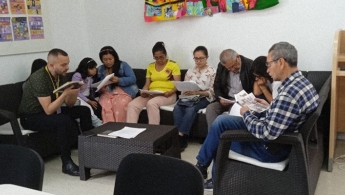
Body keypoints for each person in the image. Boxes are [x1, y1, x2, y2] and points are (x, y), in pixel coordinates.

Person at [195, 42, 320, 191]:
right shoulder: (303, 84)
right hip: (279, 134)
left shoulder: (288, 94)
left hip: (270, 148)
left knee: (219, 136)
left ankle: (212, 179)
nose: (267, 69)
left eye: (268, 64)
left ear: (280, 62)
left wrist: (246, 113)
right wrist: (268, 108)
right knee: (221, 121)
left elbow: (266, 133)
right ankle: (201, 165)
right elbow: (284, 114)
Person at [19, 48, 94, 176]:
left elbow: (70, 104)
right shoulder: (39, 78)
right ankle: (67, 163)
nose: (68, 67)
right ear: (52, 65)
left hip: (48, 112)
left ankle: (90, 150)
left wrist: (74, 91)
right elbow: (48, 110)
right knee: (63, 120)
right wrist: (65, 94)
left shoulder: (61, 76)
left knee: (84, 110)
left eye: (68, 63)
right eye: (64, 64)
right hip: (31, 117)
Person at [173, 46, 215, 151]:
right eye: (196, 58)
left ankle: (181, 136)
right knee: (177, 108)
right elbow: (184, 87)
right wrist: (186, 91)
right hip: (189, 97)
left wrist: (197, 92)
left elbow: (212, 92)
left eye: (201, 58)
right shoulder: (190, 71)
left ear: (207, 57)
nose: (198, 61)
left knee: (191, 109)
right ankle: (177, 135)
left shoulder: (212, 71)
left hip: (203, 97)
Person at [127, 42, 181, 125]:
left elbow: (178, 84)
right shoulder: (150, 66)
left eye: (161, 57)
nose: (159, 60)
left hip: (168, 95)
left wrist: (170, 92)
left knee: (151, 103)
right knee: (132, 105)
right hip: (152, 94)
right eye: (156, 58)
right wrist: (144, 92)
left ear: (165, 54)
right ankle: (130, 131)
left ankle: (154, 132)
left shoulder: (173, 65)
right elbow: (147, 84)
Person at [205, 49, 254, 131]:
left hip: (242, 101)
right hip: (226, 99)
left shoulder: (250, 65)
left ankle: (229, 139)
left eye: (233, 66)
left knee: (234, 110)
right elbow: (217, 86)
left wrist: (241, 100)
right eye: (229, 68)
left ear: (238, 57)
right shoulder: (221, 66)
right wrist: (220, 99)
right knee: (211, 108)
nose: (232, 69)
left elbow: (253, 89)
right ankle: (213, 136)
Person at [97, 46, 138, 123]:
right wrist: (100, 88)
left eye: (110, 59)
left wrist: (119, 80)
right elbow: (99, 83)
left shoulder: (123, 65)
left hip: (123, 92)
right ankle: (110, 129)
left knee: (120, 104)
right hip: (107, 93)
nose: (108, 62)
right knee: (103, 105)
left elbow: (133, 78)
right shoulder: (100, 69)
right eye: (105, 60)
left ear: (115, 57)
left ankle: (121, 128)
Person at [72, 57, 103, 127]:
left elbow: (90, 88)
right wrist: (88, 101)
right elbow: (76, 92)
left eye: (95, 68)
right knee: (88, 107)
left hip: (88, 96)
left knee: (98, 107)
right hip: (79, 97)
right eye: (92, 68)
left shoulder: (91, 76)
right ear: (85, 69)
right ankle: (97, 124)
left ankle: (99, 126)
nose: (95, 70)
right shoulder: (77, 75)